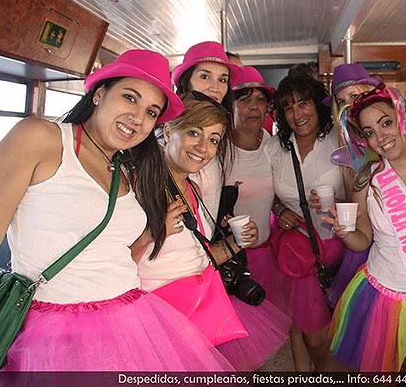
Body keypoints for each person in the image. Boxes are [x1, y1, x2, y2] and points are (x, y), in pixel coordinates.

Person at [0, 50, 233, 371]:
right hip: (55, 328)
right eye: (130, 97)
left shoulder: (127, 168)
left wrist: (151, 234)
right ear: (99, 93)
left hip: (130, 317)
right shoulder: (41, 138)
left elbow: (119, 256)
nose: (138, 118)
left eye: (151, 111)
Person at [133, 94, 290, 371]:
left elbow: (200, 258)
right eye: (193, 133)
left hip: (197, 315)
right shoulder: (137, 186)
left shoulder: (193, 188)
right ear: (168, 132)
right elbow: (108, 265)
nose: (203, 147)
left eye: (214, 139)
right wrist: (150, 234)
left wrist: (237, 242)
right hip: (157, 322)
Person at [324, 86, 406, 371]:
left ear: (405, 117)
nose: (380, 137)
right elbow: (363, 240)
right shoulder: (367, 180)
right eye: (369, 132)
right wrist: (345, 232)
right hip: (385, 298)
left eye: (386, 122)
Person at [266, 74, 343, 371]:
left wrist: (339, 205)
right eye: (288, 108)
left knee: (339, 330)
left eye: (303, 103)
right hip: (299, 254)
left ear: (317, 103)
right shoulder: (275, 148)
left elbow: (363, 190)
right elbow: (266, 193)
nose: (297, 114)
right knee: (311, 334)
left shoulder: (339, 139)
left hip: (341, 247)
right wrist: (279, 209)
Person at [223, 67, 287, 310]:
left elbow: (272, 192)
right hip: (231, 260)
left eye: (260, 100)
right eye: (244, 100)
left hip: (266, 255)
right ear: (229, 106)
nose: (254, 107)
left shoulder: (271, 144)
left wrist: (280, 210)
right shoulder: (218, 150)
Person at [324, 64, 382, 308]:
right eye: (342, 101)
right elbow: (359, 210)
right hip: (369, 253)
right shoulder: (346, 153)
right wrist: (337, 206)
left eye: (355, 96)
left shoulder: (393, 138)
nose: (349, 106)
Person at [171, 41, 240, 216]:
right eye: (205, 76)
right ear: (186, 81)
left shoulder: (221, 132)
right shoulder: (168, 139)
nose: (215, 88)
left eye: (222, 80)